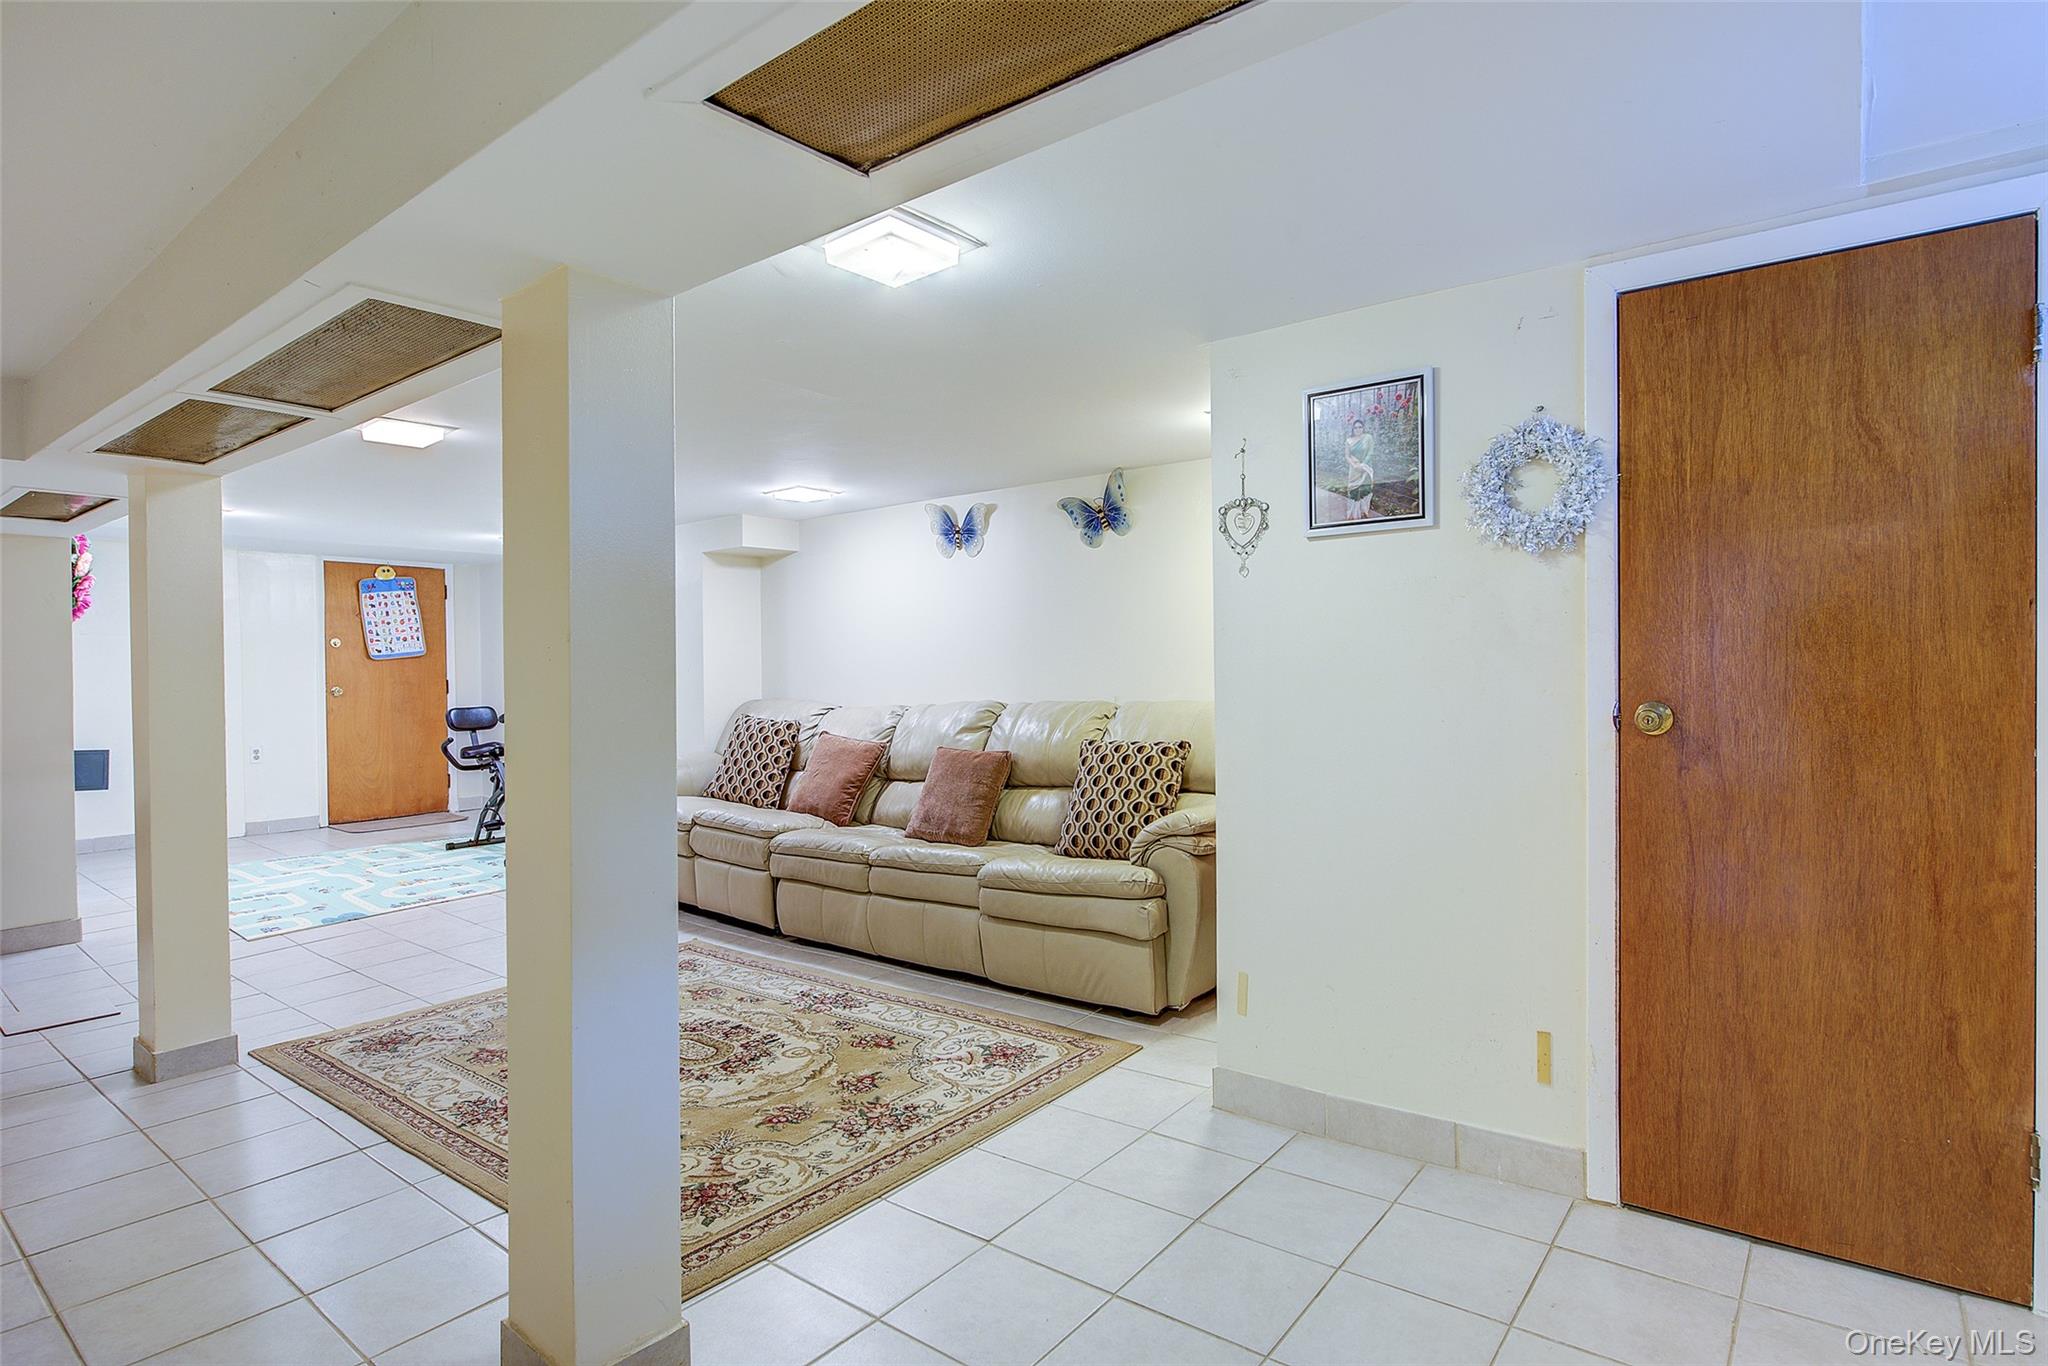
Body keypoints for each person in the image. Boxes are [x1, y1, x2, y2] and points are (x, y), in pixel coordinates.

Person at [1342, 416, 1376, 519]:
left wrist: (1363, 465)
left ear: (1363, 428)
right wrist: (1354, 465)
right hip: (1354, 469)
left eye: (1360, 427)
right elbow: (1347, 456)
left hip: (1366, 468)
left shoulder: (1368, 437)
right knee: (1353, 490)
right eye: (1355, 427)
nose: (1358, 429)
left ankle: (1364, 511)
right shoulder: (1349, 441)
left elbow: (1371, 452)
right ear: (1352, 429)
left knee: (1365, 489)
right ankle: (1353, 513)